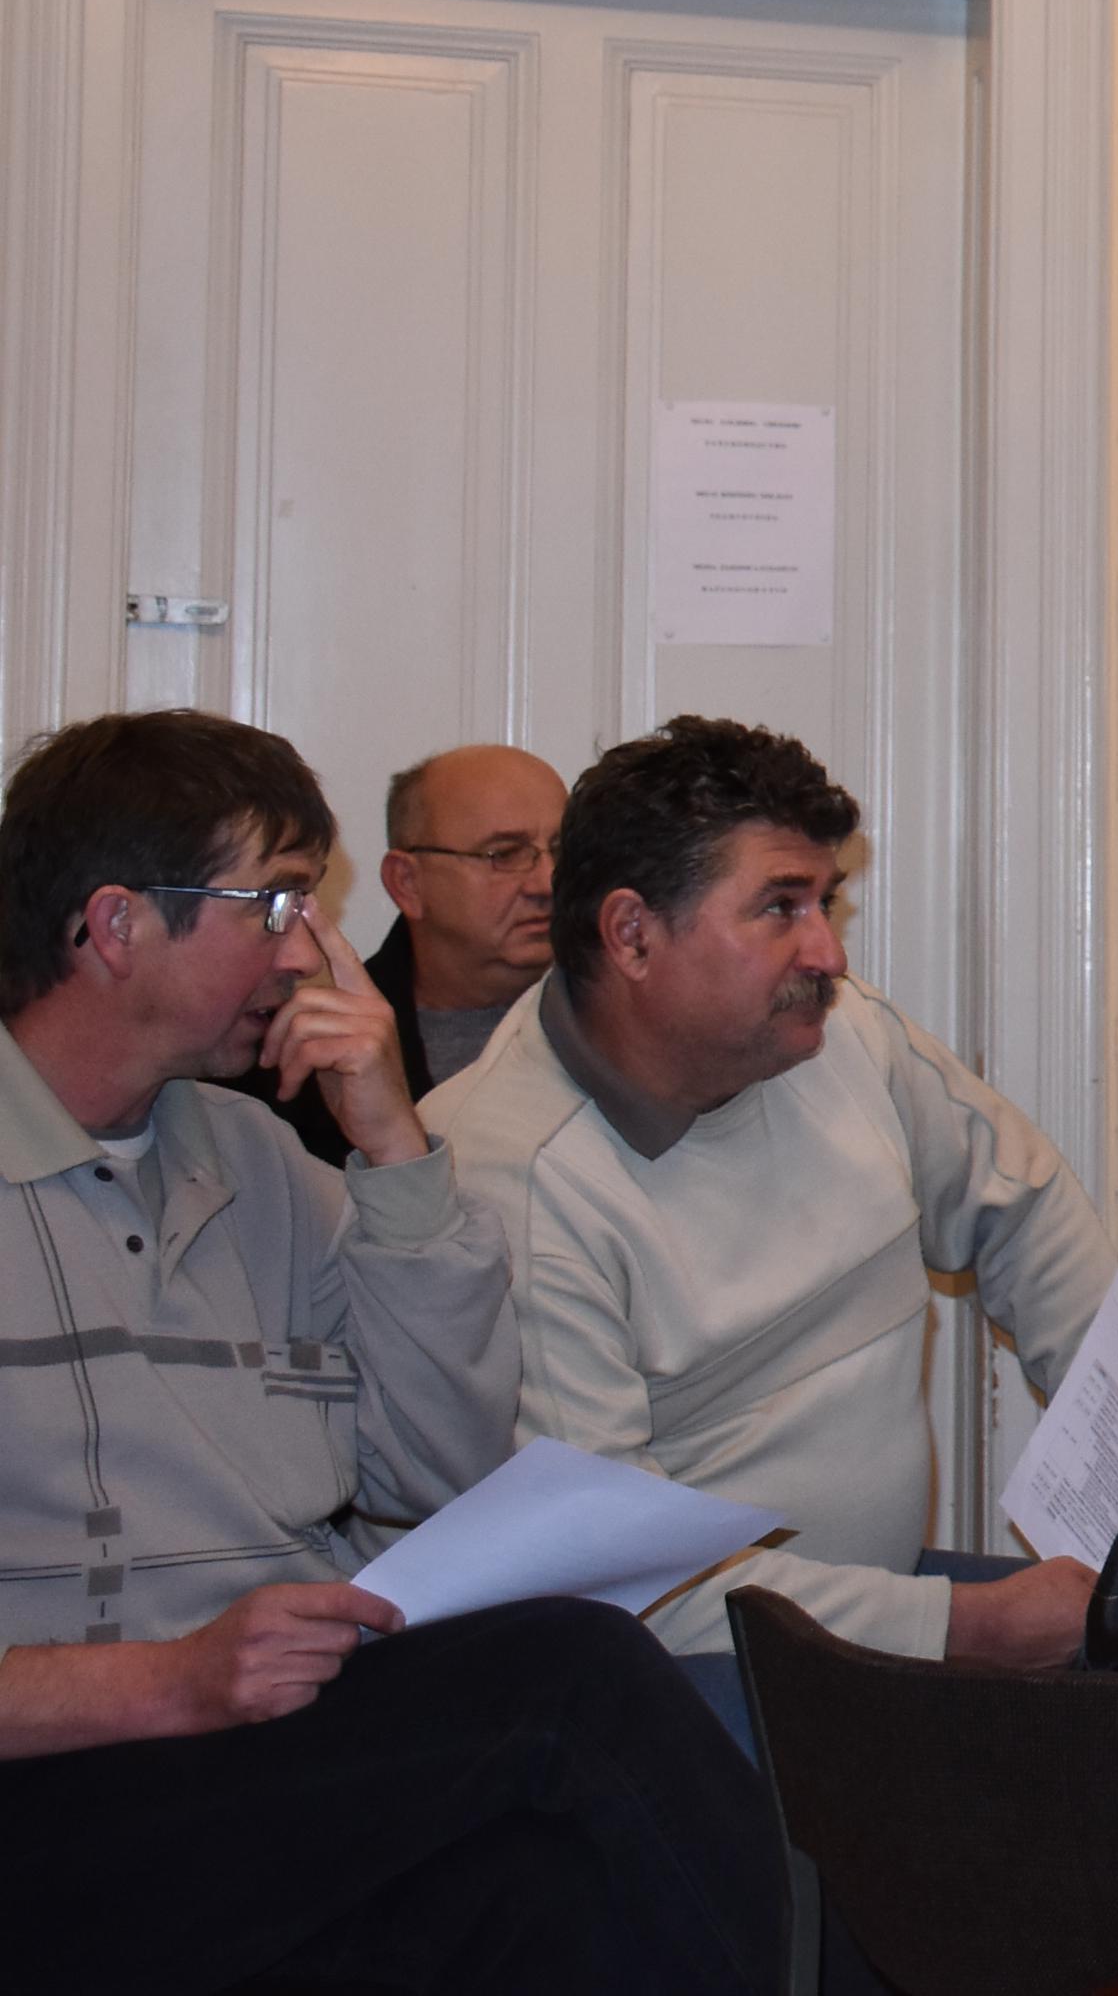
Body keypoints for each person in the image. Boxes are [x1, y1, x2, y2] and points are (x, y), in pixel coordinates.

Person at [0, 710, 779, 1995]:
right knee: (571, 1680)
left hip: (268, 1770)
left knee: (548, 1887)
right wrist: (172, 1682)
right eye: (274, 901)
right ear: (117, 923)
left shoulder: (257, 1164)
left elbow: (441, 1474)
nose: (308, 948)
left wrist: (393, 1148)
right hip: (64, 1797)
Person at [427, 716, 1118, 1700]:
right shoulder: (509, 1181)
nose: (827, 953)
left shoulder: (840, 1034)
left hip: (880, 1612)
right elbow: (612, 1582)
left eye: (823, 902)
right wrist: (972, 1628)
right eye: (780, 908)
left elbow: (1021, 1206)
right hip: (678, 1677)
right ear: (631, 934)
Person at [248, 744, 567, 1170]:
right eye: (504, 854)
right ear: (407, 882)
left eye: (562, 850)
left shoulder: (622, 1028)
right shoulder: (304, 1054)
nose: (547, 883)